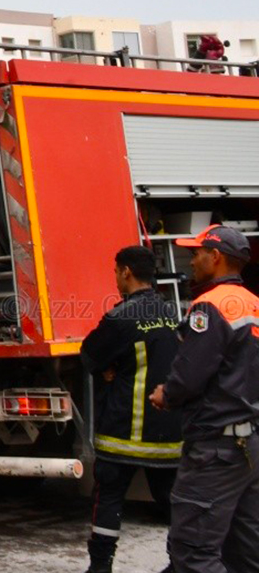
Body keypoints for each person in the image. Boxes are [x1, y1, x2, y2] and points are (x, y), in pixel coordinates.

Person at [149, 225, 259, 573]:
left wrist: (166, 393)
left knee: (193, 551)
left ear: (216, 257)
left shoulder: (209, 307)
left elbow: (189, 376)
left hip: (216, 449)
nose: (191, 260)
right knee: (244, 551)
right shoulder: (254, 303)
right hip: (250, 445)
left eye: (196, 253)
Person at [79, 245, 182, 573]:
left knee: (109, 501)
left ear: (126, 272)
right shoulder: (170, 312)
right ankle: (182, 562)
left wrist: (106, 368)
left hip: (123, 434)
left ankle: (100, 567)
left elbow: (90, 353)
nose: (116, 279)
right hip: (168, 436)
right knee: (173, 504)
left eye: (115, 272)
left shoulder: (120, 317)